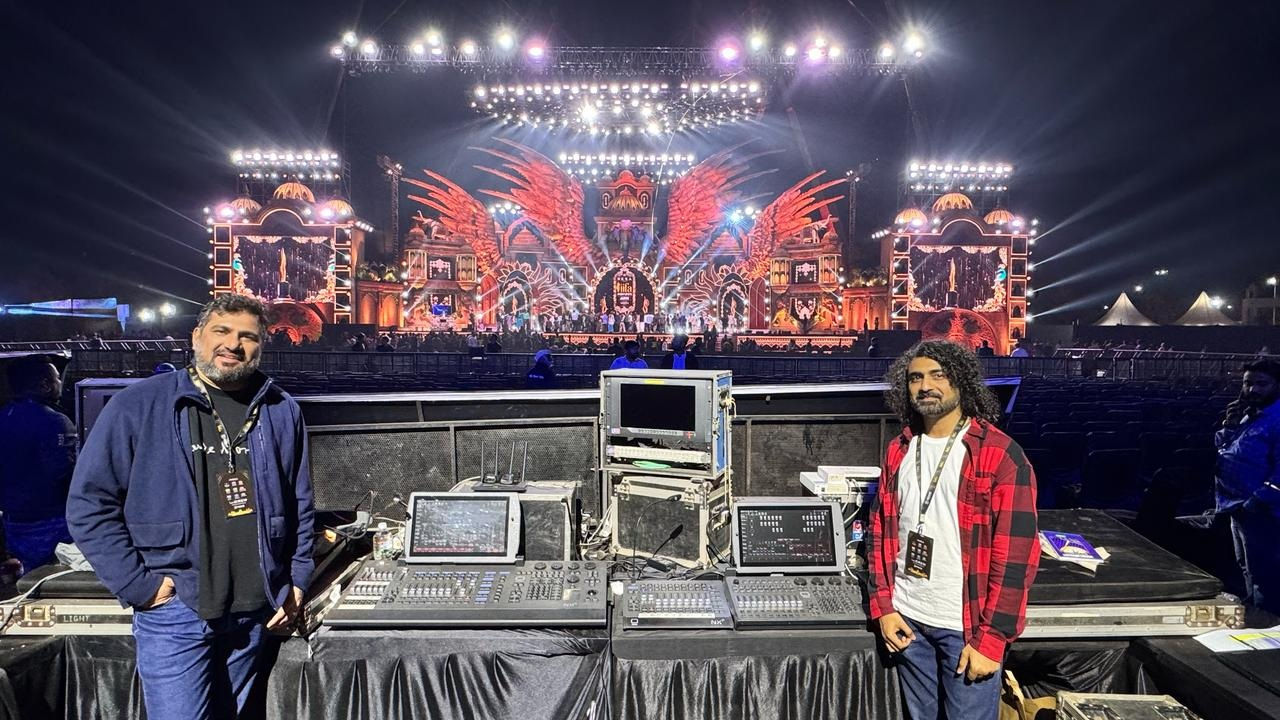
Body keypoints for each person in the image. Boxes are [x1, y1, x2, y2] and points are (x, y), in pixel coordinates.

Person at [66, 295, 315, 719]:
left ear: (261, 346)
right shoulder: (139, 405)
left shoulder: (280, 409)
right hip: (177, 611)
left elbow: (300, 504)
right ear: (196, 337)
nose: (233, 344)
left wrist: (297, 577)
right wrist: (140, 586)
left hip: (256, 611)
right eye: (222, 331)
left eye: (248, 337)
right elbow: (89, 504)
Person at [867, 340, 1039, 720]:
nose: (925, 386)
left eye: (938, 375)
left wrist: (992, 639)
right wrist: (884, 607)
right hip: (908, 619)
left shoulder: (999, 454)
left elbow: (1016, 558)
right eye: (915, 378)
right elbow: (879, 532)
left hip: (965, 627)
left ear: (961, 380)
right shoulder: (899, 449)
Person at [0, 356, 76, 575]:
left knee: (32, 573)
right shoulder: (55, 422)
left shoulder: (4, 416)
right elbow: (63, 472)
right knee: (59, 576)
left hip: (14, 521)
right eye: (56, 379)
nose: (60, 383)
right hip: (52, 521)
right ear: (44, 385)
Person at [1215, 358, 1280, 613]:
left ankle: (1269, 623)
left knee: (1265, 575)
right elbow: (1227, 448)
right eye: (1247, 383)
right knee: (1247, 568)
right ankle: (1254, 615)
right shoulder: (1251, 413)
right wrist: (1229, 426)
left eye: (1261, 384)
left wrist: (1256, 501)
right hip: (1237, 505)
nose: (1252, 389)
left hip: (1263, 511)